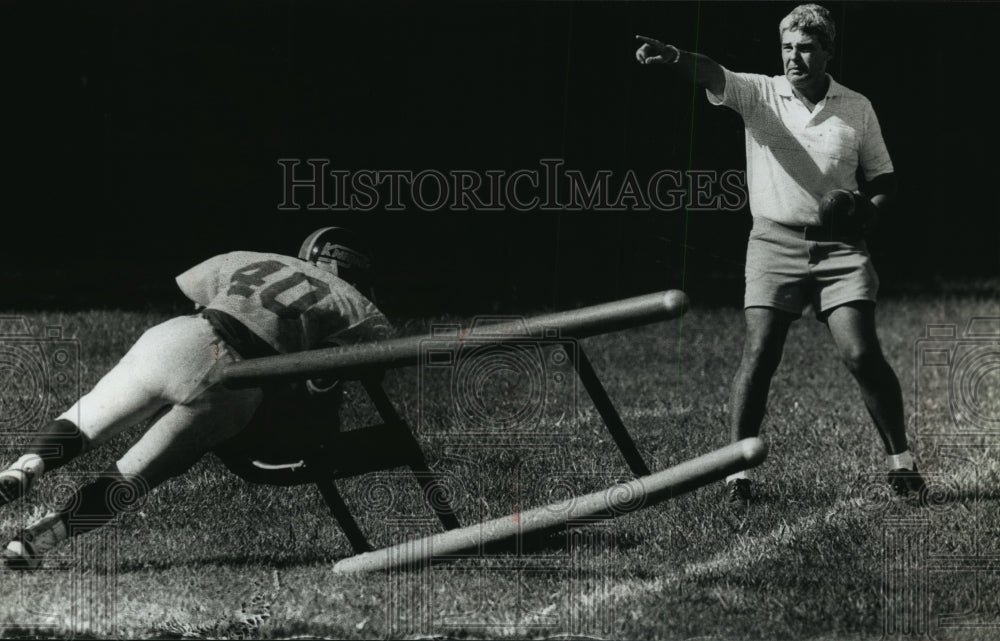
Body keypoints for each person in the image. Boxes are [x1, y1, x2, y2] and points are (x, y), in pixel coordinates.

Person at [635, 4, 925, 503]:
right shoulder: (760, 93)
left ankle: (901, 461)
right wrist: (673, 57)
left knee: (860, 354)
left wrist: (867, 213)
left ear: (828, 50)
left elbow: (884, 180)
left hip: (840, 249)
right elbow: (711, 71)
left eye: (807, 47)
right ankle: (737, 475)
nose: (795, 57)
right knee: (760, 352)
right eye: (788, 47)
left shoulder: (856, 107)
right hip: (773, 242)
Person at [0, 227, 391, 568]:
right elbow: (338, 375)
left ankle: (25, 466)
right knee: (131, 475)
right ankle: (37, 541)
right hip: (235, 381)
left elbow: (197, 294)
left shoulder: (254, 257)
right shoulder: (358, 307)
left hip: (178, 340)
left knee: (85, 421)